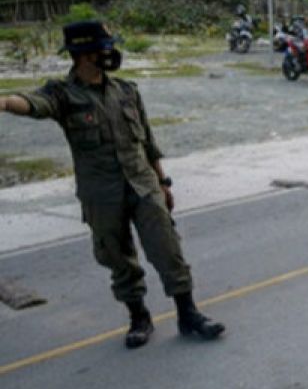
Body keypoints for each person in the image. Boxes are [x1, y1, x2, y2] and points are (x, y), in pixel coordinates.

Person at [0, 21, 224, 348]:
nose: (111, 52)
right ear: (85, 55)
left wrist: (163, 181)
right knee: (118, 259)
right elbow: (31, 104)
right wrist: (4, 102)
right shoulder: (63, 95)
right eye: (105, 47)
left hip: (143, 185)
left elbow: (147, 140)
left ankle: (188, 314)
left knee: (167, 249)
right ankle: (139, 318)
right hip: (101, 194)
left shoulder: (127, 91)